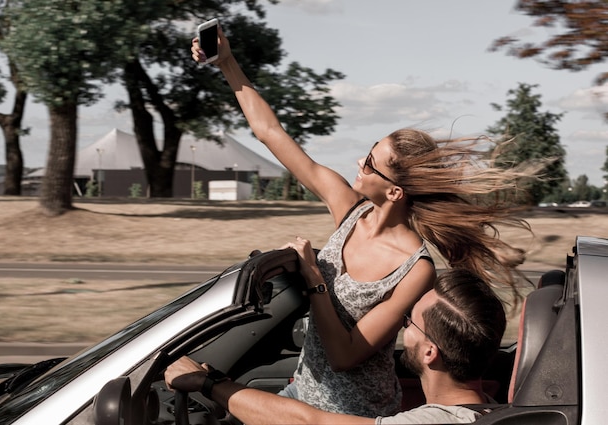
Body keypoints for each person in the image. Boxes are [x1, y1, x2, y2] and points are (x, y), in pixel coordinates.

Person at [189, 26, 535, 417]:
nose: (359, 163)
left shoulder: (416, 270)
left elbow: (345, 355)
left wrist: (314, 277)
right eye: (367, 153)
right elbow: (271, 133)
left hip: (353, 413)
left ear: (394, 192)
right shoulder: (348, 209)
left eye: (371, 163)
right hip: (300, 391)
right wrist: (227, 63)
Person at [165, 269, 507, 424]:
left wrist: (207, 383)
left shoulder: (431, 423)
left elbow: (308, 423)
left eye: (408, 320)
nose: (403, 327)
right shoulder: (493, 410)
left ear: (431, 352)